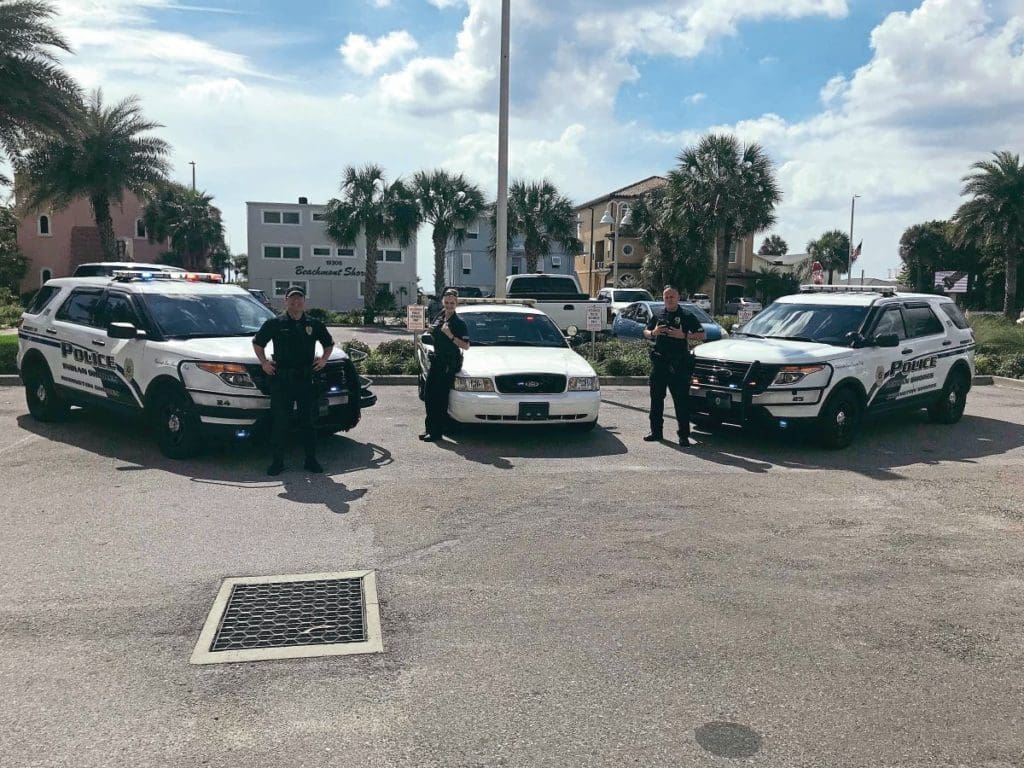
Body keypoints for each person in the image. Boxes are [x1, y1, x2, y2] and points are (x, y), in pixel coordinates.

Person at [253, 286, 334, 475]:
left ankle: (311, 460)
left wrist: (323, 359)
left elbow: (328, 344)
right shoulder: (275, 323)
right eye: (292, 299)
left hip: (306, 380)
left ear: (304, 301)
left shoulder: (314, 324)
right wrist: (264, 362)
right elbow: (258, 343)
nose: (295, 302)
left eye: (299, 299)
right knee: (280, 422)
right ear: (286, 301)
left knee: (309, 422)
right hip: (282, 380)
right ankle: (277, 462)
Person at [643, 285, 705, 445]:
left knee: (681, 401)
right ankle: (656, 432)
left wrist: (683, 335)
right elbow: (646, 332)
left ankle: (683, 436)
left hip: (679, 364)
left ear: (678, 298)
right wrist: (653, 333)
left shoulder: (686, 315)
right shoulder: (658, 314)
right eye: (666, 297)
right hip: (660, 362)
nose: (669, 300)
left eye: (672, 297)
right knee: (656, 400)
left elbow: (702, 334)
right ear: (663, 299)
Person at [420, 288, 470, 442]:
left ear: (456, 303)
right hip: (437, 361)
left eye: (452, 303)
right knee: (429, 395)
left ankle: (437, 432)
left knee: (440, 398)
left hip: (448, 364)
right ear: (443, 301)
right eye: (447, 302)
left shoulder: (458, 323)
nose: (449, 305)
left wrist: (450, 336)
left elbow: (466, 345)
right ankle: (429, 428)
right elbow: (434, 332)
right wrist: (429, 329)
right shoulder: (440, 316)